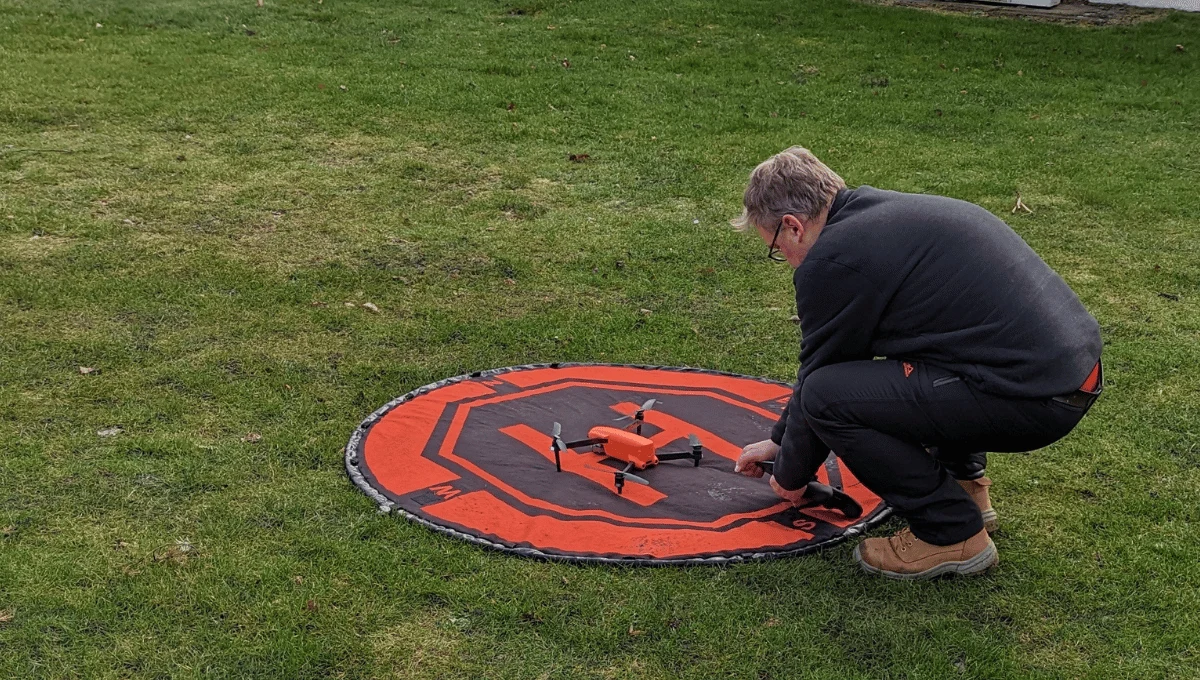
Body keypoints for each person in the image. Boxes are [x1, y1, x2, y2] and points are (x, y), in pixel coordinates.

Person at [731, 147, 1102, 580]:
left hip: (1033, 398)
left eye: (777, 248)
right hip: (1067, 376)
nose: (786, 259)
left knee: (827, 398)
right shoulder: (890, 215)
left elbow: (821, 375)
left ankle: (950, 532)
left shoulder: (833, 260)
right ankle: (964, 488)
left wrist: (790, 474)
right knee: (928, 353)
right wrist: (781, 442)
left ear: (793, 226)